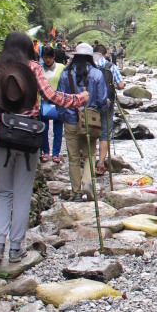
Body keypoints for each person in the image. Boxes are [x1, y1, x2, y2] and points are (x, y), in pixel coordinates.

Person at [0, 31, 88, 263]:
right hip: (28, 139)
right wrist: (79, 99)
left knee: (4, 192)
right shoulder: (33, 69)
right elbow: (52, 96)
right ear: (28, 49)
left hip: (1, 138)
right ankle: (15, 248)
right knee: (22, 194)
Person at [56, 43, 108, 200]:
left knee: (73, 157)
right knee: (90, 154)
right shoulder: (97, 74)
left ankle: (76, 192)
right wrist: (105, 107)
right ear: (91, 57)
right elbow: (101, 100)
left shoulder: (66, 74)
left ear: (75, 56)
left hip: (70, 119)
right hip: (90, 120)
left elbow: (59, 98)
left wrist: (61, 115)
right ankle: (87, 182)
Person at [92, 43, 125, 177]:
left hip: (91, 104)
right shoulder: (111, 67)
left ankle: (89, 160)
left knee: (91, 130)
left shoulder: (89, 67)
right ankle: (100, 164)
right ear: (106, 54)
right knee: (105, 133)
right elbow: (121, 85)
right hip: (107, 103)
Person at [38, 45, 65, 164]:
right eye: (45, 57)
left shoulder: (61, 67)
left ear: (53, 57)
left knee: (58, 129)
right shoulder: (38, 68)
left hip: (58, 101)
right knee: (43, 128)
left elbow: (65, 83)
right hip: (43, 102)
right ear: (42, 57)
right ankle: (45, 151)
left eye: (49, 57)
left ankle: (56, 154)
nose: (47, 60)